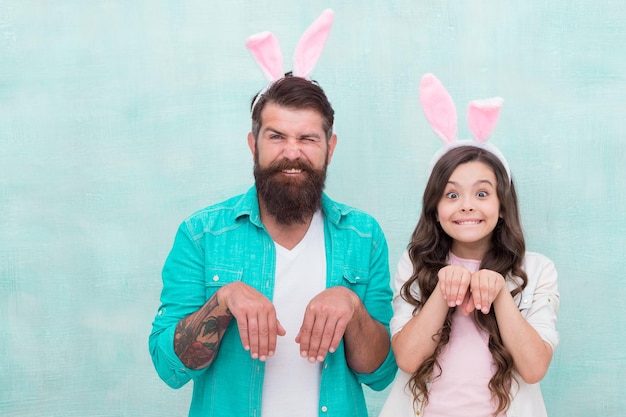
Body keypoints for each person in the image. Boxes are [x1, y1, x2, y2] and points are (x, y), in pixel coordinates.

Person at [149, 10, 396, 417]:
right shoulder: (201, 234)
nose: (292, 151)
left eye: (307, 138)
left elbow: (380, 374)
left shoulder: (364, 236)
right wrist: (222, 301)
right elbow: (169, 368)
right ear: (253, 144)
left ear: (330, 147)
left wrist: (352, 306)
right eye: (277, 136)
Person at [379, 74, 559, 417]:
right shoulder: (414, 264)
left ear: (502, 205)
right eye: (451, 194)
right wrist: (441, 294)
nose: (466, 206)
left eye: (481, 193)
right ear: (435, 208)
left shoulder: (537, 271)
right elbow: (406, 358)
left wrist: (501, 295)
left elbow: (534, 368)